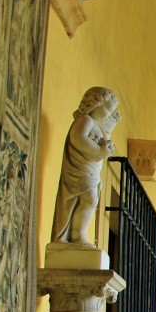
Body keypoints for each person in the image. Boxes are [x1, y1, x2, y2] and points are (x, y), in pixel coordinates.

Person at [51, 87, 119, 246]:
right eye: (107, 110)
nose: (108, 115)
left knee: (91, 199)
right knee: (89, 198)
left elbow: (103, 141)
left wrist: (107, 144)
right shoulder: (85, 121)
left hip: (91, 170)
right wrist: (99, 151)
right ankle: (76, 234)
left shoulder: (99, 127)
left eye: (111, 112)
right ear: (95, 104)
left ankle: (78, 233)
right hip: (79, 169)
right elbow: (77, 138)